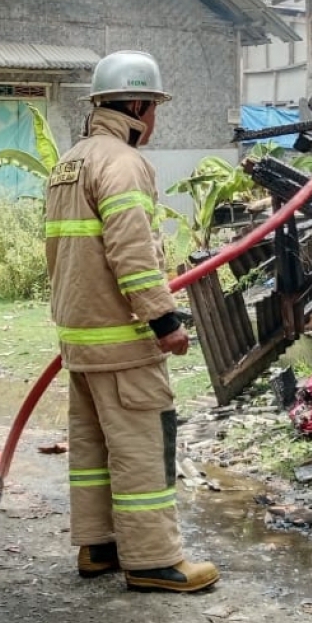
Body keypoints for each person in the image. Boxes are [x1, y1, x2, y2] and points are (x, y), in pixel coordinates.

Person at [45, 50, 218, 594]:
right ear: (141, 105)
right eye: (156, 107)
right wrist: (165, 319)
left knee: (95, 446)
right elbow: (131, 250)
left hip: (82, 337)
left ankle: (100, 545)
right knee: (143, 443)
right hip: (123, 339)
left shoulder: (71, 161)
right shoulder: (122, 162)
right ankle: (153, 560)